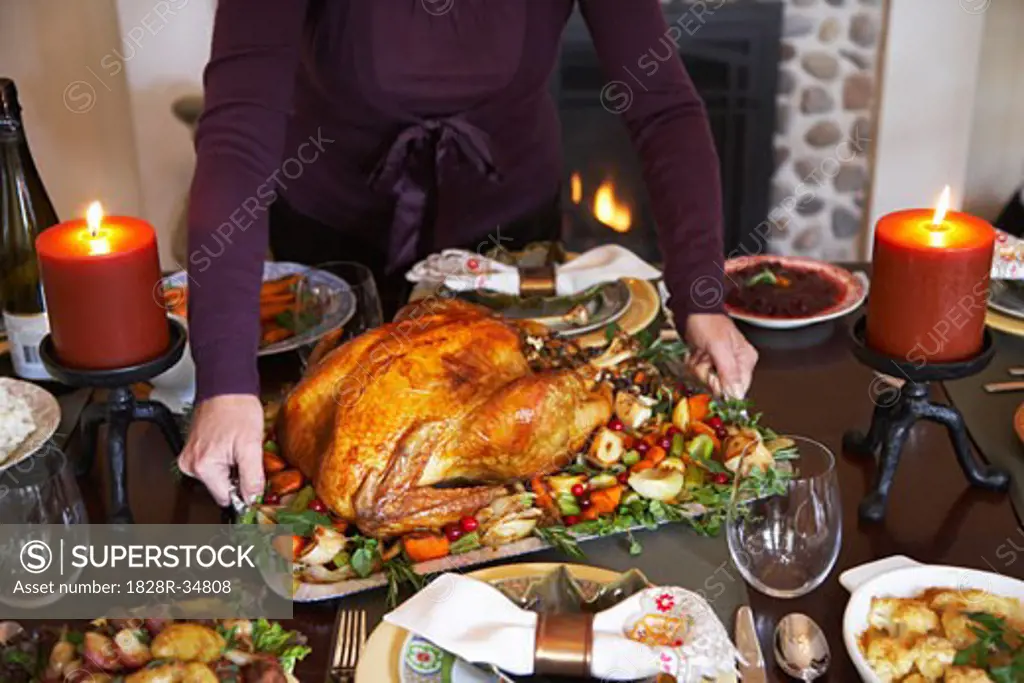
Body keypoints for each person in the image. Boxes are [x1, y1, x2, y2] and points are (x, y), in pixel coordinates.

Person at [178, 0, 759, 506]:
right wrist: (226, 381)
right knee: (340, 463)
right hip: (335, 236)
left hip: (507, 242)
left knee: (507, 475)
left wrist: (700, 297)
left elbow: (662, 108)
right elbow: (238, 130)